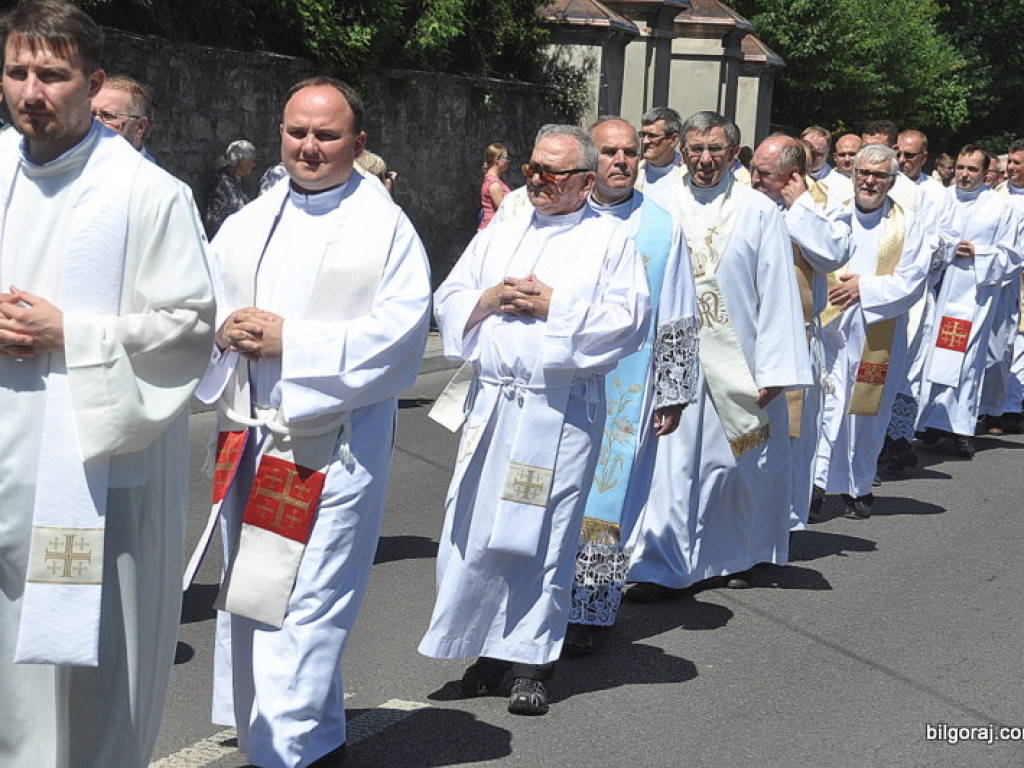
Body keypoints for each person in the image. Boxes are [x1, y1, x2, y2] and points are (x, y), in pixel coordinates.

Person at [0, 2, 215, 766]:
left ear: (92, 85)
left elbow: (189, 326)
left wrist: (74, 333)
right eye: (17, 72)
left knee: (95, 682)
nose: (32, 91)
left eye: (52, 75)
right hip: (3, 468)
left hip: (96, 478)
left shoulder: (147, 194)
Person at [194, 76, 431, 767]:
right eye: (297, 132)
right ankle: (315, 742)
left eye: (326, 135)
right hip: (250, 437)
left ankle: (285, 752)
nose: (308, 146)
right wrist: (224, 329)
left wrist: (291, 342)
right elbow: (200, 303)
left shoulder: (384, 228)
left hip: (328, 447)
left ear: (358, 142)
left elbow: (401, 336)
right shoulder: (248, 222)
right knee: (259, 595)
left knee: (307, 603)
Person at [419, 124, 650, 716]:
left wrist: (555, 306)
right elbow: (451, 293)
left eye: (552, 173)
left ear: (586, 181)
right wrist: (490, 299)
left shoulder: (610, 239)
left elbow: (629, 319)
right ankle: (486, 650)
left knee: (544, 536)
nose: (537, 181)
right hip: (495, 405)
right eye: (531, 170)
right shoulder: (508, 225)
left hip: (558, 412)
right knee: (477, 530)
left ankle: (532, 662)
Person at [627, 111, 811, 598]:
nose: (704, 159)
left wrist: (776, 367)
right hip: (672, 360)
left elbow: (777, 290)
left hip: (739, 359)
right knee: (668, 466)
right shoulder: (656, 203)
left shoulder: (758, 210)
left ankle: (733, 556)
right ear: (682, 150)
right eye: (696, 149)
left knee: (733, 468)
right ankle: (660, 567)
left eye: (715, 150)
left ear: (733, 153)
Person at [564, 116, 699, 655]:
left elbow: (679, 308)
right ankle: (540, 597)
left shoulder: (661, 226)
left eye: (629, 152)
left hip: (629, 387)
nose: (621, 161)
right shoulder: (562, 216)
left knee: (611, 494)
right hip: (562, 381)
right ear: (587, 158)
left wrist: (674, 389)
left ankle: (589, 607)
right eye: (609, 152)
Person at [811, 145, 931, 519]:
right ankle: (814, 485)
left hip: (877, 328)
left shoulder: (908, 224)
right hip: (831, 327)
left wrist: (863, 288)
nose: (869, 181)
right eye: (863, 173)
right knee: (825, 406)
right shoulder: (833, 215)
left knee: (866, 412)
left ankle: (857, 487)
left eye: (879, 175)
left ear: (892, 181)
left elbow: (913, 280)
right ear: (853, 175)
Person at [749, 133, 851, 528]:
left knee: (789, 441)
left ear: (792, 176)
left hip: (795, 339)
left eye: (764, 173)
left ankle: (781, 526)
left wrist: (800, 206)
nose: (753, 179)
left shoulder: (822, 206)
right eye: (753, 169)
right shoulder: (744, 200)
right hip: (743, 337)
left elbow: (833, 254)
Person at [916, 145, 1018, 458]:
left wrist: (978, 252)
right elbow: (922, 239)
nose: (964, 174)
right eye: (960, 167)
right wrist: (945, 249)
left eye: (972, 169)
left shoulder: (1000, 206)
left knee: (967, 361)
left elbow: (1012, 256)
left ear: (986, 173)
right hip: (938, 290)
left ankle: (960, 427)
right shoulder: (941, 198)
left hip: (974, 295)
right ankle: (929, 421)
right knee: (930, 356)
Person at [90, 73, 154, 160]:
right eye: (91, 114)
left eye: (107, 116)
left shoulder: (145, 169)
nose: (95, 122)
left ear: (140, 127)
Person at [636, 106, 684, 211]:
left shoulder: (687, 175)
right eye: (643, 135)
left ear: (673, 140)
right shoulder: (633, 173)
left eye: (652, 136)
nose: (645, 141)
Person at [203, 138, 254, 237]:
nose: (253, 164)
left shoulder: (238, 181)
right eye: (251, 160)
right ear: (241, 160)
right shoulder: (222, 182)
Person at [479, 142, 510, 228]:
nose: (508, 161)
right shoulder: (494, 184)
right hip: (493, 228)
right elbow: (504, 210)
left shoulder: (495, 180)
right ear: (497, 160)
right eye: (505, 158)